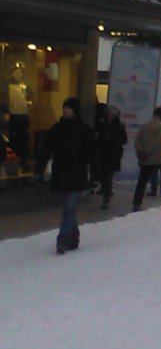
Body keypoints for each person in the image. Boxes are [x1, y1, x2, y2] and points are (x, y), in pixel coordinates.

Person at [36, 97, 96, 254]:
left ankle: (62, 241)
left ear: (75, 110)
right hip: (60, 175)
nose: (65, 110)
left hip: (77, 176)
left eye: (68, 108)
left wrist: (95, 177)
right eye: (64, 108)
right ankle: (73, 237)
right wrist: (38, 170)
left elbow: (93, 155)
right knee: (68, 209)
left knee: (69, 209)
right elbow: (45, 151)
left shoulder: (84, 131)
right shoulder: (56, 129)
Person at [133, 107, 161, 210]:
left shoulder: (145, 125)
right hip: (158, 156)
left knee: (142, 180)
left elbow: (137, 140)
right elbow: (158, 142)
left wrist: (140, 152)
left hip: (145, 158)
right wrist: (147, 152)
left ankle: (136, 202)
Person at [94, 104, 127, 210]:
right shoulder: (101, 124)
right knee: (102, 175)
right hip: (102, 153)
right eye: (109, 115)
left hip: (112, 154)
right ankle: (106, 190)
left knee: (107, 175)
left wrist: (114, 141)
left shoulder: (119, 126)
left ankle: (106, 197)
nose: (110, 117)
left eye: (112, 116)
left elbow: (124, 140)